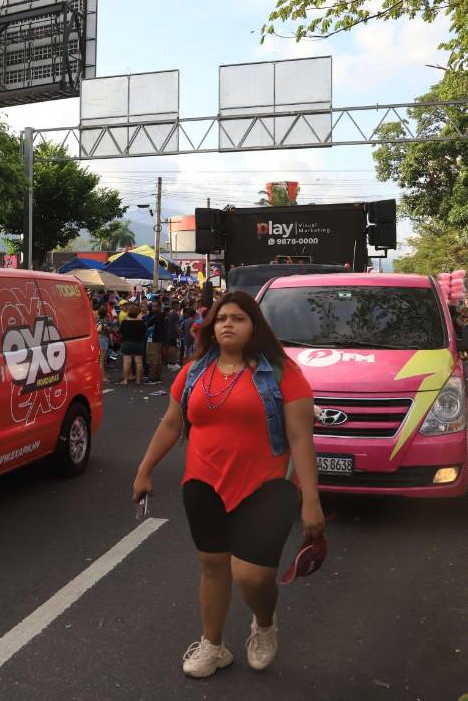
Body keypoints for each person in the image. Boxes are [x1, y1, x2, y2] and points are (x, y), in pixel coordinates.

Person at [132, 291, 321, 680]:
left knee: (252, 575)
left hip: (267, 485)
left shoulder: (283, 373)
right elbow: (172, 423)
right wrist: (145, 468)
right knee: (214, 566)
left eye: (238, 318)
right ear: (211, 328)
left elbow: (301, 437)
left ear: (255, 326)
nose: (228, 324)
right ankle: (213, 645)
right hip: (203, 483)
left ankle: (264, 623)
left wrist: (312, 501)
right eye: (221, 319)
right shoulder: (195, 371)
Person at [118, 304, 146, 386]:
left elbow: (120, 332)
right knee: (139, 362)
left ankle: (126, 380)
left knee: (126, 362)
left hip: (126, 343)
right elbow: (144, 332)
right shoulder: (141, 323)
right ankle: (138, 380)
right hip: (138, 343)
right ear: (137, 313)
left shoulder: (124, 322)